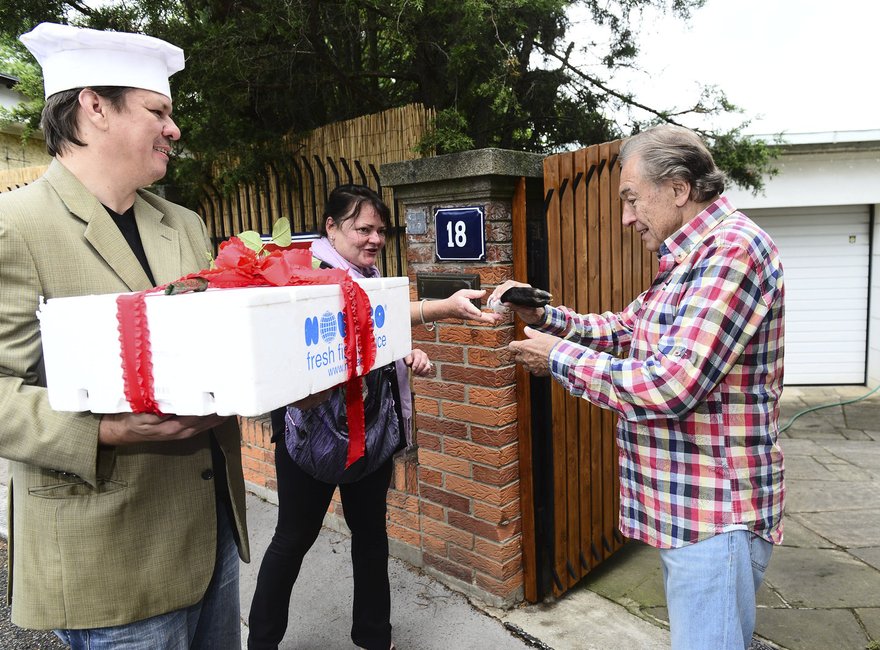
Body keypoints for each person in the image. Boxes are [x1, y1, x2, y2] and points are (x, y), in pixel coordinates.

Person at [0, 23, 249, 648]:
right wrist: (104, 429)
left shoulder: (183, 224)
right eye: (158, 110)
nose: (175, 128)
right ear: (94, 108)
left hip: (209, 534)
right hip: (109, 555)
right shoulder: (17, 228)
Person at [492, 125, 786, 650]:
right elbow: (627, 330)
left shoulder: (731, 254)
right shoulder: (689, 260)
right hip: (694, 514)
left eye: (632, 199)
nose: (626, 217)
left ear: (677, 189)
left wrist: (556, 356)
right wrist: (546, 316)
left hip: (715, 517)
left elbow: (671, 384)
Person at [247, 184, 501, 650]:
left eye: (380, 230)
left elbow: (374, 330)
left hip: (371, 433)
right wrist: (441, 308)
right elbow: (343, 324)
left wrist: (403, 352)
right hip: (312, 439)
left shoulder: (367, 273)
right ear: (331, 227)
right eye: (363, 228)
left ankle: (373, 638)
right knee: (292, 539)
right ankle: (261, 642)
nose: (375, 238)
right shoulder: (308, 274)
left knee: (370, 537)